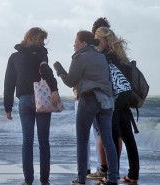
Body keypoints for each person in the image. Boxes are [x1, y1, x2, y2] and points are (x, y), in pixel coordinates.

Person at [53, 30, 118, 185]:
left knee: (82, 141)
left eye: (76, 41)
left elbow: (70, 81)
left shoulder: (80, 57)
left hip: (88, 99)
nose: (74, 44)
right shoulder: (101, 57)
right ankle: (113, 178)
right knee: (108, 140)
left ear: (83, 43)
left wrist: (60, 71)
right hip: (106, 101)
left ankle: (81, 179)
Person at [3, 27, 60, 185]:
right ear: (32, 38)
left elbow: (9, 83)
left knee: (27, 142)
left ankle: (28, 180)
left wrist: (7, 107)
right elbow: (46, 71)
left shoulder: (14, 57)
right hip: (40, 99)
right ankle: (44, 181)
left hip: (24, 101)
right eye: (41, 39)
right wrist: (54, 89)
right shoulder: (41, 53)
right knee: (44, 142)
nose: (43, 43)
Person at [95, 27, 140, 184]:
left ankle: (111, 176)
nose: (95, 43)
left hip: (114, 101)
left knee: (112, 139)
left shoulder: (106, 57)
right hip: (124, 101)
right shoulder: (122, 57)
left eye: (97, 39)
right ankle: (133, 175)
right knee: (128, 138)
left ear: (105, 40)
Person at [86, 17, 113, 180]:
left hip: (97, 96)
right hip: (112, 98)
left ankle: (100, 168)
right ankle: (109, 169)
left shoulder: (95, 51)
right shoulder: (115, 52)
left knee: (98, 134)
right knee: (112, 134)